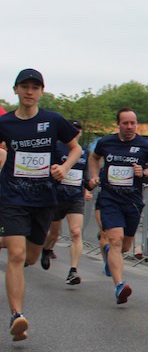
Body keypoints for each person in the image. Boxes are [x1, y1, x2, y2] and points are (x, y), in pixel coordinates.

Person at [0, 69, 82, 340]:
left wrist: (65, 167)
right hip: (12, 197)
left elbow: (77, 148)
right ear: (15, 89)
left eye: (35, 87)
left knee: (30, 257)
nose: (29, 91)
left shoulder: (53, 120)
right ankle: (17, 316)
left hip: (44, 199)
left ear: (41, 92)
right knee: (16, 255)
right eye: (24, 86)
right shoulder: (5, 123)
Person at [87, 107, 148, 305]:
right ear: (118, 124)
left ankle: (111, 254)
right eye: (125, 123)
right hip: (110, 199)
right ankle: (119, 286)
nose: (129, 126)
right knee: (116, 240)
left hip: (133, 201)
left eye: (132, 123)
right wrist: (95, 175)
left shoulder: (145, 146)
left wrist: (144, 172)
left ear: (137, 124)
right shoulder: (106, 142)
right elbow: (94, 157)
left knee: (125, 245)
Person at [42, 120, 92, 285]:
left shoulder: (84, 152)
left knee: (76, 233)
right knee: (54, 234)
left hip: (75, 197)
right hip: (57, 196)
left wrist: (89, 186)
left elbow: (85, 176)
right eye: (73, 129)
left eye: (78, 130)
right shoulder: (56, 147)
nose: (75, 132)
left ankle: (73, 271)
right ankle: (46, 249)